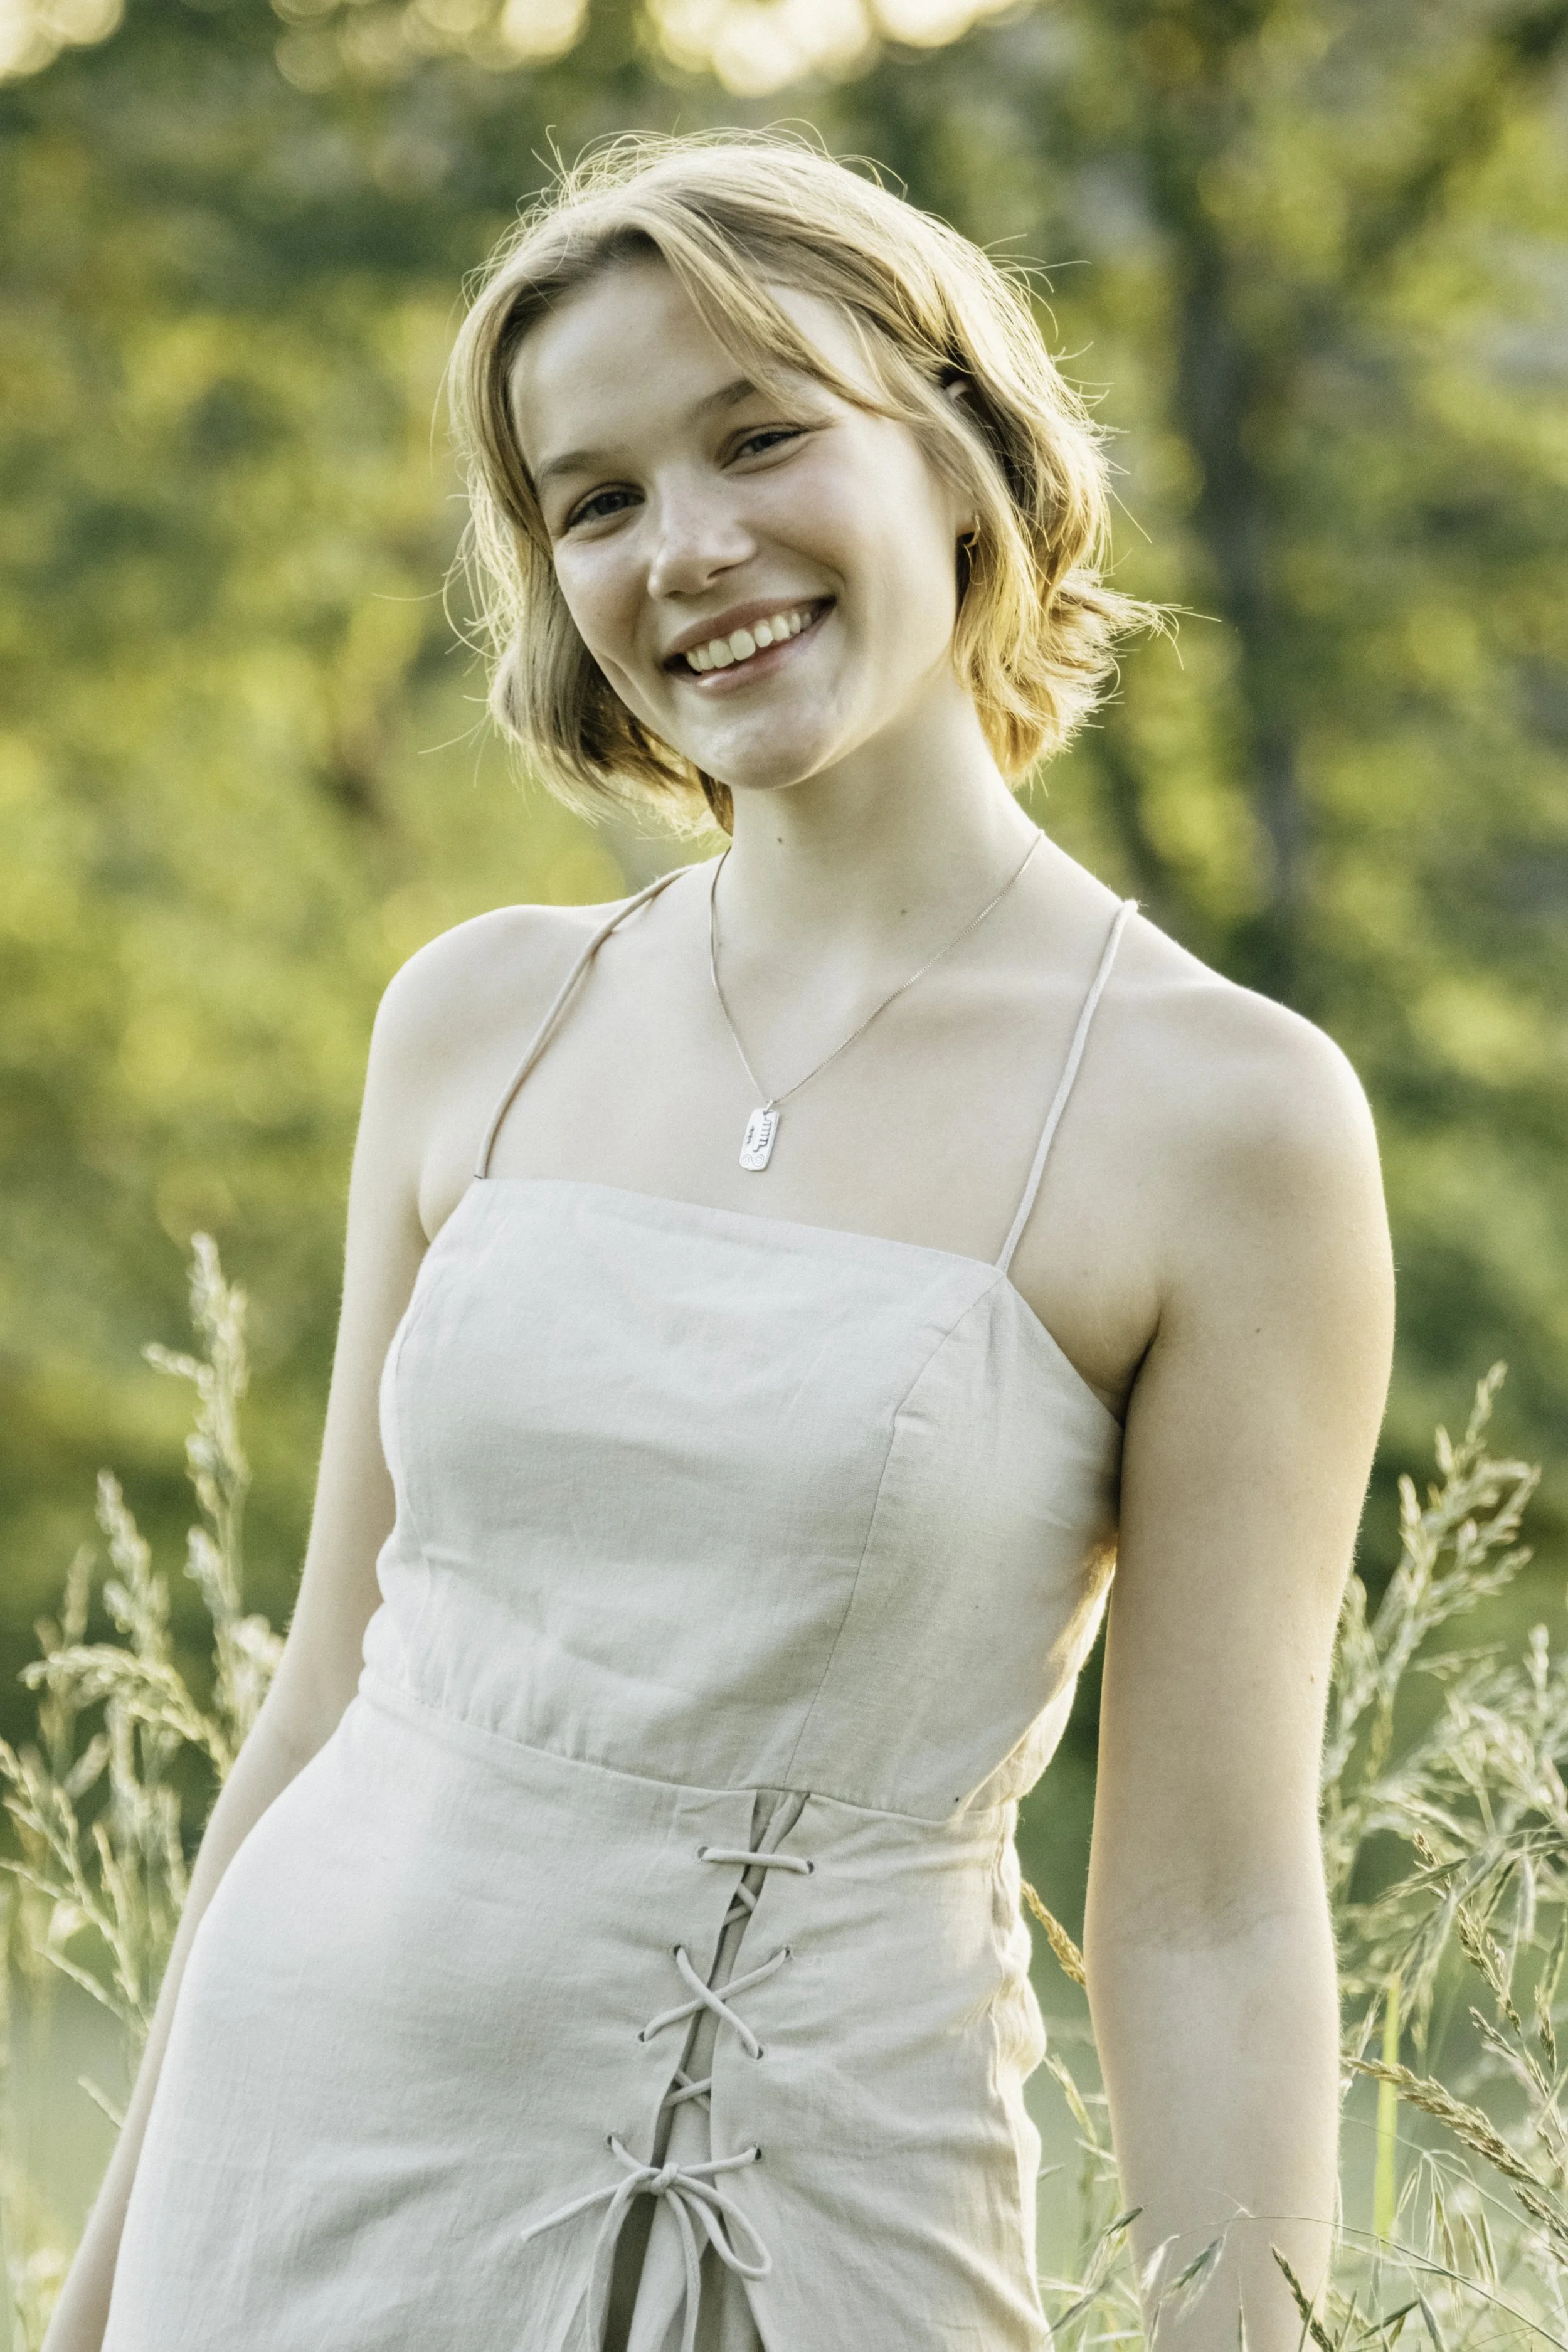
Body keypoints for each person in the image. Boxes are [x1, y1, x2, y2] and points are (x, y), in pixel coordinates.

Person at [49, 132, 1394, 2352]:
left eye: (758, 437)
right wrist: (99, 2303)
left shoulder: (1224, 1119)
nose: (689, 549)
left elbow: (1206, 1907)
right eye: (595, 500)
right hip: (278, 2191)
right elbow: (312, 1709)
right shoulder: (476, 1016)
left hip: (786, 2240)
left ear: (957, 449)